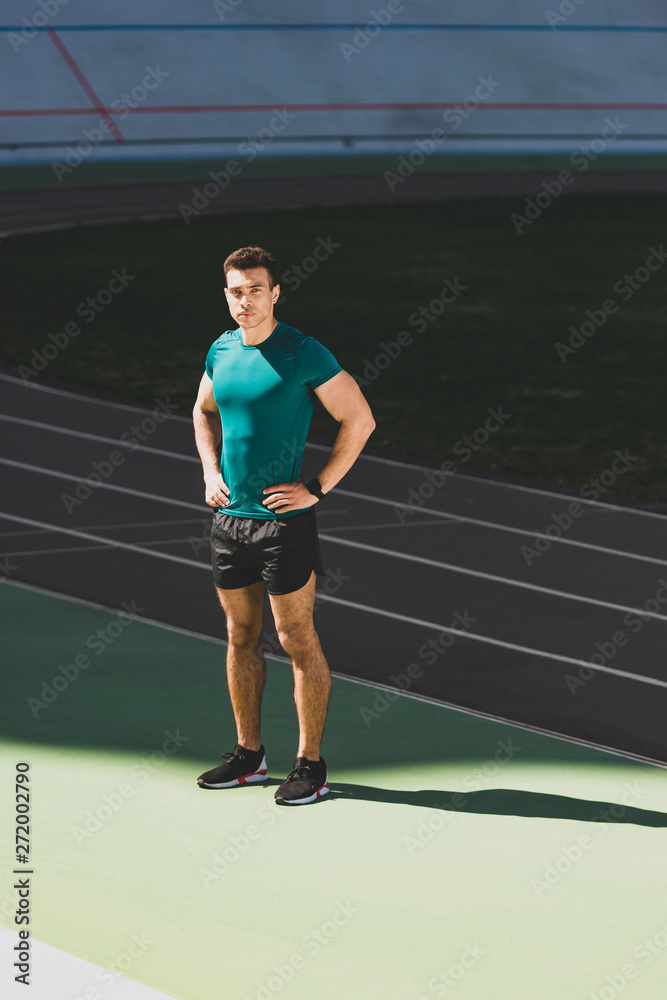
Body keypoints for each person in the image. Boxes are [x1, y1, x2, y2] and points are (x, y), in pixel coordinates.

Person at [192, 245, 375, 805]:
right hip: (230, 521)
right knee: (240, 637)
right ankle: (249, 756)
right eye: (234, 291)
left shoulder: (302, 352)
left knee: (297, 640)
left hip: (282, 524)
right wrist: (209, 471)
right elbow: (202, 410)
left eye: (254, 290)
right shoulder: (221, 350)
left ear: (275, 293)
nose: (243, 301)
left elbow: (359, 418)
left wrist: (316, 488)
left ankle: (310, 765)